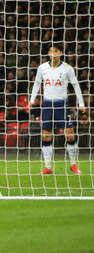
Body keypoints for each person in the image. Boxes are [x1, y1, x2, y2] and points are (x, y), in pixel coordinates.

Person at [28, 45, 86, 175]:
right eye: (51, 51)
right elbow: (37, 83)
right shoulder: (42, 68)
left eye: (56, 51)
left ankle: (73, 164)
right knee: (46, 135)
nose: (53, 54)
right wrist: (32, 100)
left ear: (61, 53)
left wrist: (81, 103)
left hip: (62, 105)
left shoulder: (67, 69)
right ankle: (48, 167)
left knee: (70, 135)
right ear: (48, 53)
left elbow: (75, 85)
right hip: (47, 104)